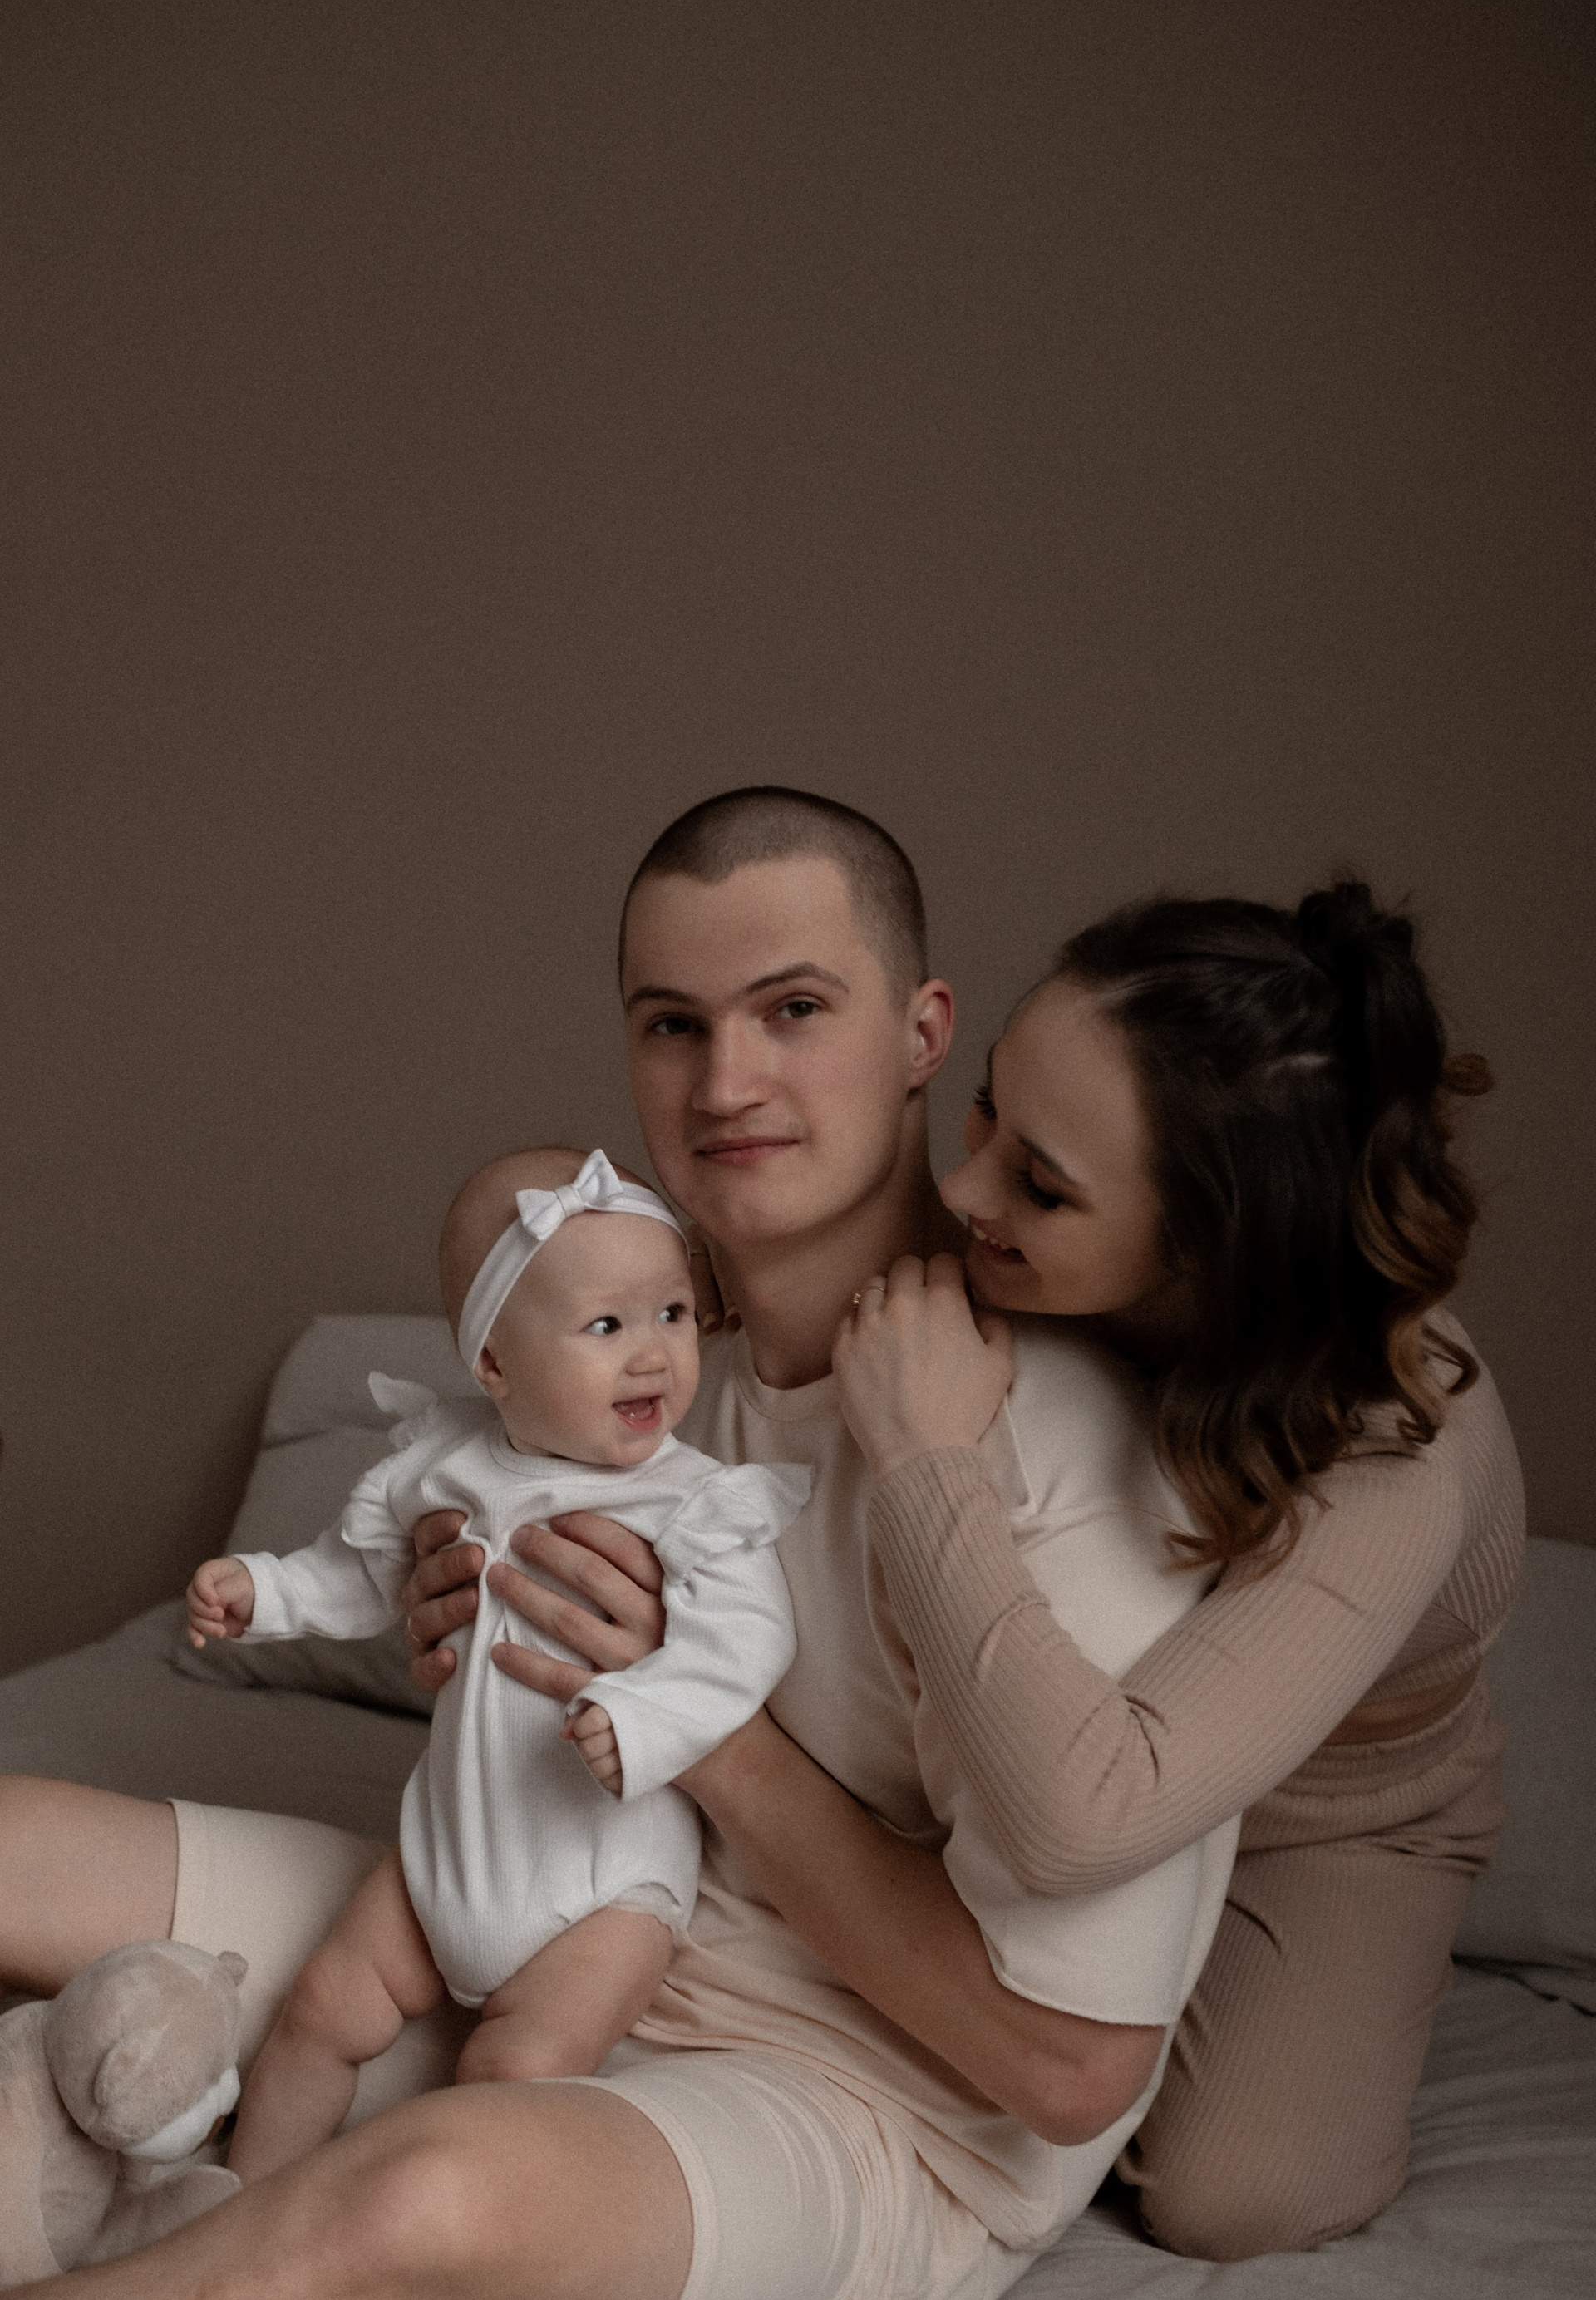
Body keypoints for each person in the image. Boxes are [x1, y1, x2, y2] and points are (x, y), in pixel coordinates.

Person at [1, 787, 1238, 2300]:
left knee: (414, 2198)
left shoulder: (1068, 1457)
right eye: (672, 1024)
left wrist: (698, 1723)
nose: (726, 1081)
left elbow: (1070, 2069)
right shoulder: (634, 1356)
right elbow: (454, 1566)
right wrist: (450, 1606)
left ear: (924, 1035)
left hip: (854, 2103)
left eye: (794, 1009)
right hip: (533, 1922)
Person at [828, 886, 1525, 2258]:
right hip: (1040, 1705)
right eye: (987, 1108)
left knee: (1235, 2196)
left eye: (1041, 1187)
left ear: (1214, 1246)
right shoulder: (1029, 1243)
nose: (963, 1193)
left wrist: (926, 1458)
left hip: (1317, 1813)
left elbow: (1087, 1817)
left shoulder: (1401, 1444)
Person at [186, 1145, 807, 2183]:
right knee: (324, 2005)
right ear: (494, 1366)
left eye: (671, 1313)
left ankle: (423, 2235)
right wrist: (263, 1591)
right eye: (606, 1326)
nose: (652, 1354)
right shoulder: (446, 1463)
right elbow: (360, 1573)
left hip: (607, 1881)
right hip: (449, 1844)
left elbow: (747, 1639)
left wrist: (647, 1716)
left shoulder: (693, 1499)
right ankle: (234, 2199)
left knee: (511, 2070)